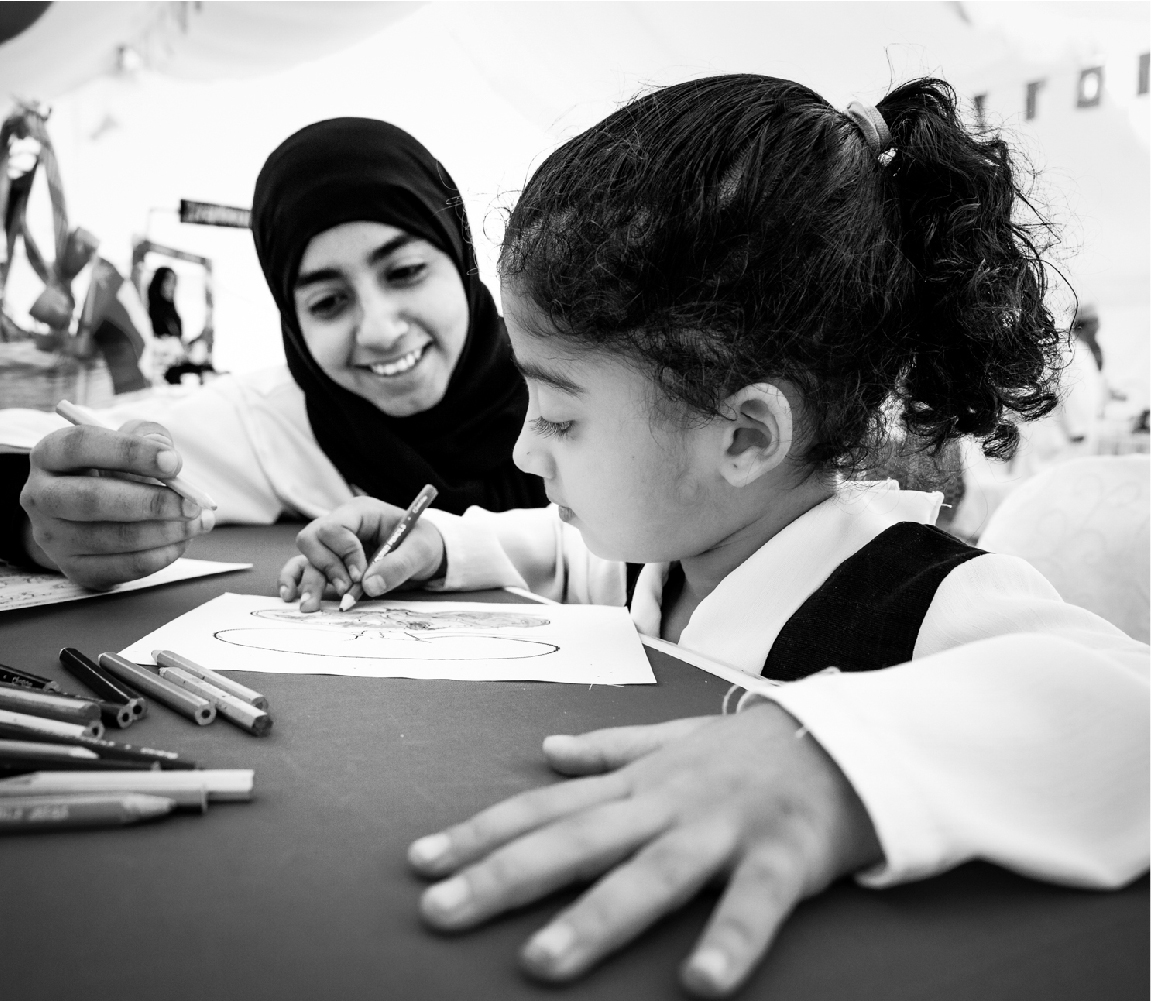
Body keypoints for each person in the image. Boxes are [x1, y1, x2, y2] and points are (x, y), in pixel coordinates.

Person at [283, 76, 1149, 996]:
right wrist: (448, 546)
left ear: (741, 435)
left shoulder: (918, 599)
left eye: (560, 417)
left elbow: (1126, 704)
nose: (521, 445)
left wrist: (829, 767)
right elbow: (573, 554)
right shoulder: (673, 548)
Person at [0, 118, 546, 588]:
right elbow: (36, 456)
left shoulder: (570, 382)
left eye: (405, 273)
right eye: (329, 302)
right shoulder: (277, 424)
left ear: (462, 258)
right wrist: (33, 527)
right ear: (292, 317)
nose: (379, 330)